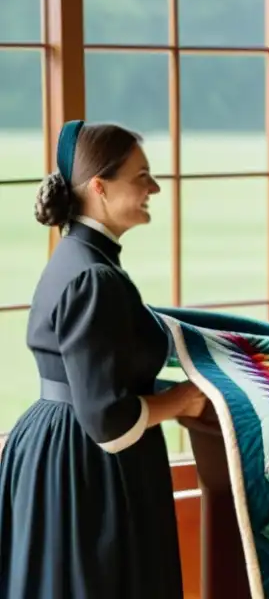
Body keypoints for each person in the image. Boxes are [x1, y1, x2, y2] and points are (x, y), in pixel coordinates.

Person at [0, 120, 208, 599]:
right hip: (87, 466)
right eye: (141, 176)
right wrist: (179, 401)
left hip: (57, 448)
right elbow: (109, 420)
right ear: (99, 186)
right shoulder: (94, 277)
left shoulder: (80, 258)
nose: (154, 187)